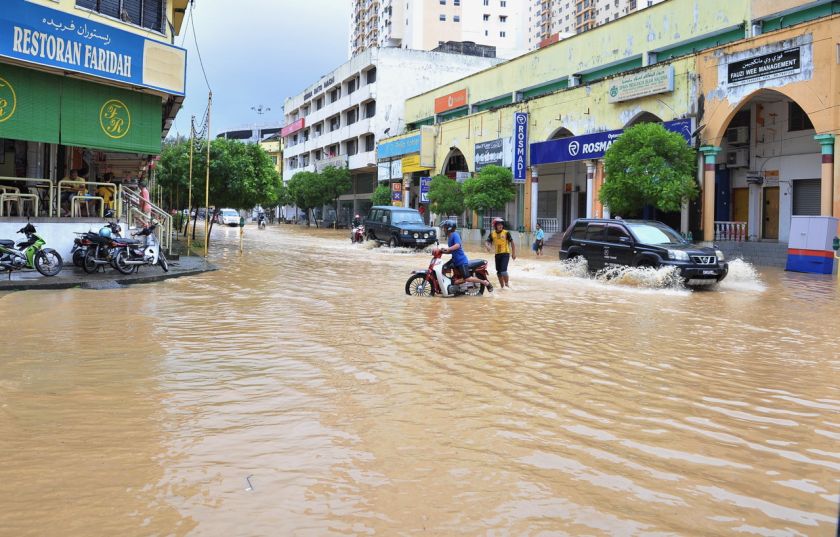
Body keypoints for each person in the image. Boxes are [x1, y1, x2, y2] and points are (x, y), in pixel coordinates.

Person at [440, 219, 492, 291]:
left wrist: (448, 249)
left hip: (461, 261)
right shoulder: (449, 237)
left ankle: (484, 282)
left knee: (467, 278)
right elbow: (452, 250)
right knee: (443, 268)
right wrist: (443, 252)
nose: (443, 229)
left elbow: (457, 245)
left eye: (445, 227)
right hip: (455, 260)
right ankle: (449, 284)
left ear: (449, 228)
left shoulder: (455, 235)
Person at [484, 217, 516, 289]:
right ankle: (502, 287)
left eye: (501, 225)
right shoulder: (492, 234)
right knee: (498, 272)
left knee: (503, 271)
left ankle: (507, 285)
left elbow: (512, 243)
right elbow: (487, 242)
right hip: (497, 255)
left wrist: (514, 253)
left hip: (505, 253)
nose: (500, 226)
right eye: (498, 225)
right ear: (495, 226)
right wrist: (487, 246)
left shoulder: (506, 233)